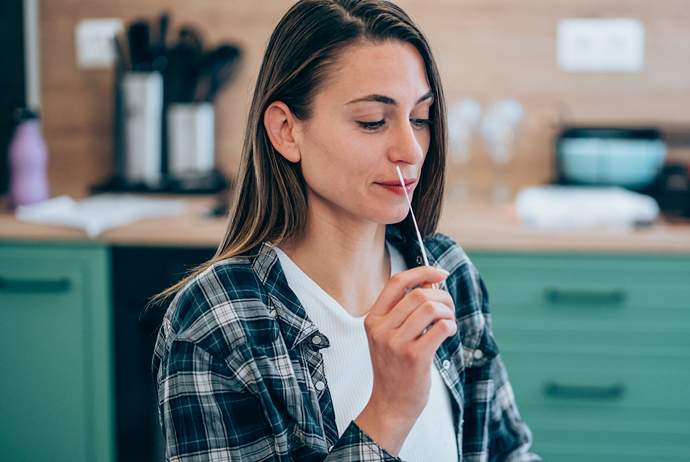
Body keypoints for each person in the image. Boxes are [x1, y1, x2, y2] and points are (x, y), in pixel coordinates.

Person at [151, 0, 540, 460]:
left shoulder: (447, 270)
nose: (410, 150)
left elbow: (509, 452)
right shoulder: (215, 322)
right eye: (372, 122)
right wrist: (389, 412)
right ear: (286, 131)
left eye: (420, 118)